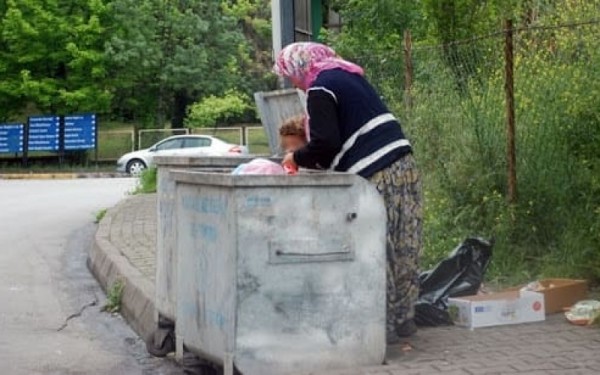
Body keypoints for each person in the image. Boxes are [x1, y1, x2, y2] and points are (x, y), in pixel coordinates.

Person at [274, 42, 423, 342]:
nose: (291, 81)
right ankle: (404, 318)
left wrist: (296, 158)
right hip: (404, 163)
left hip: (376, 173)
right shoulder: (349, 75)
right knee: (405, 240)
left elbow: (325, 144)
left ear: (300, 66)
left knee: (377, 247)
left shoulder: (319, 89)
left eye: (289, 74)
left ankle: (383, 326)